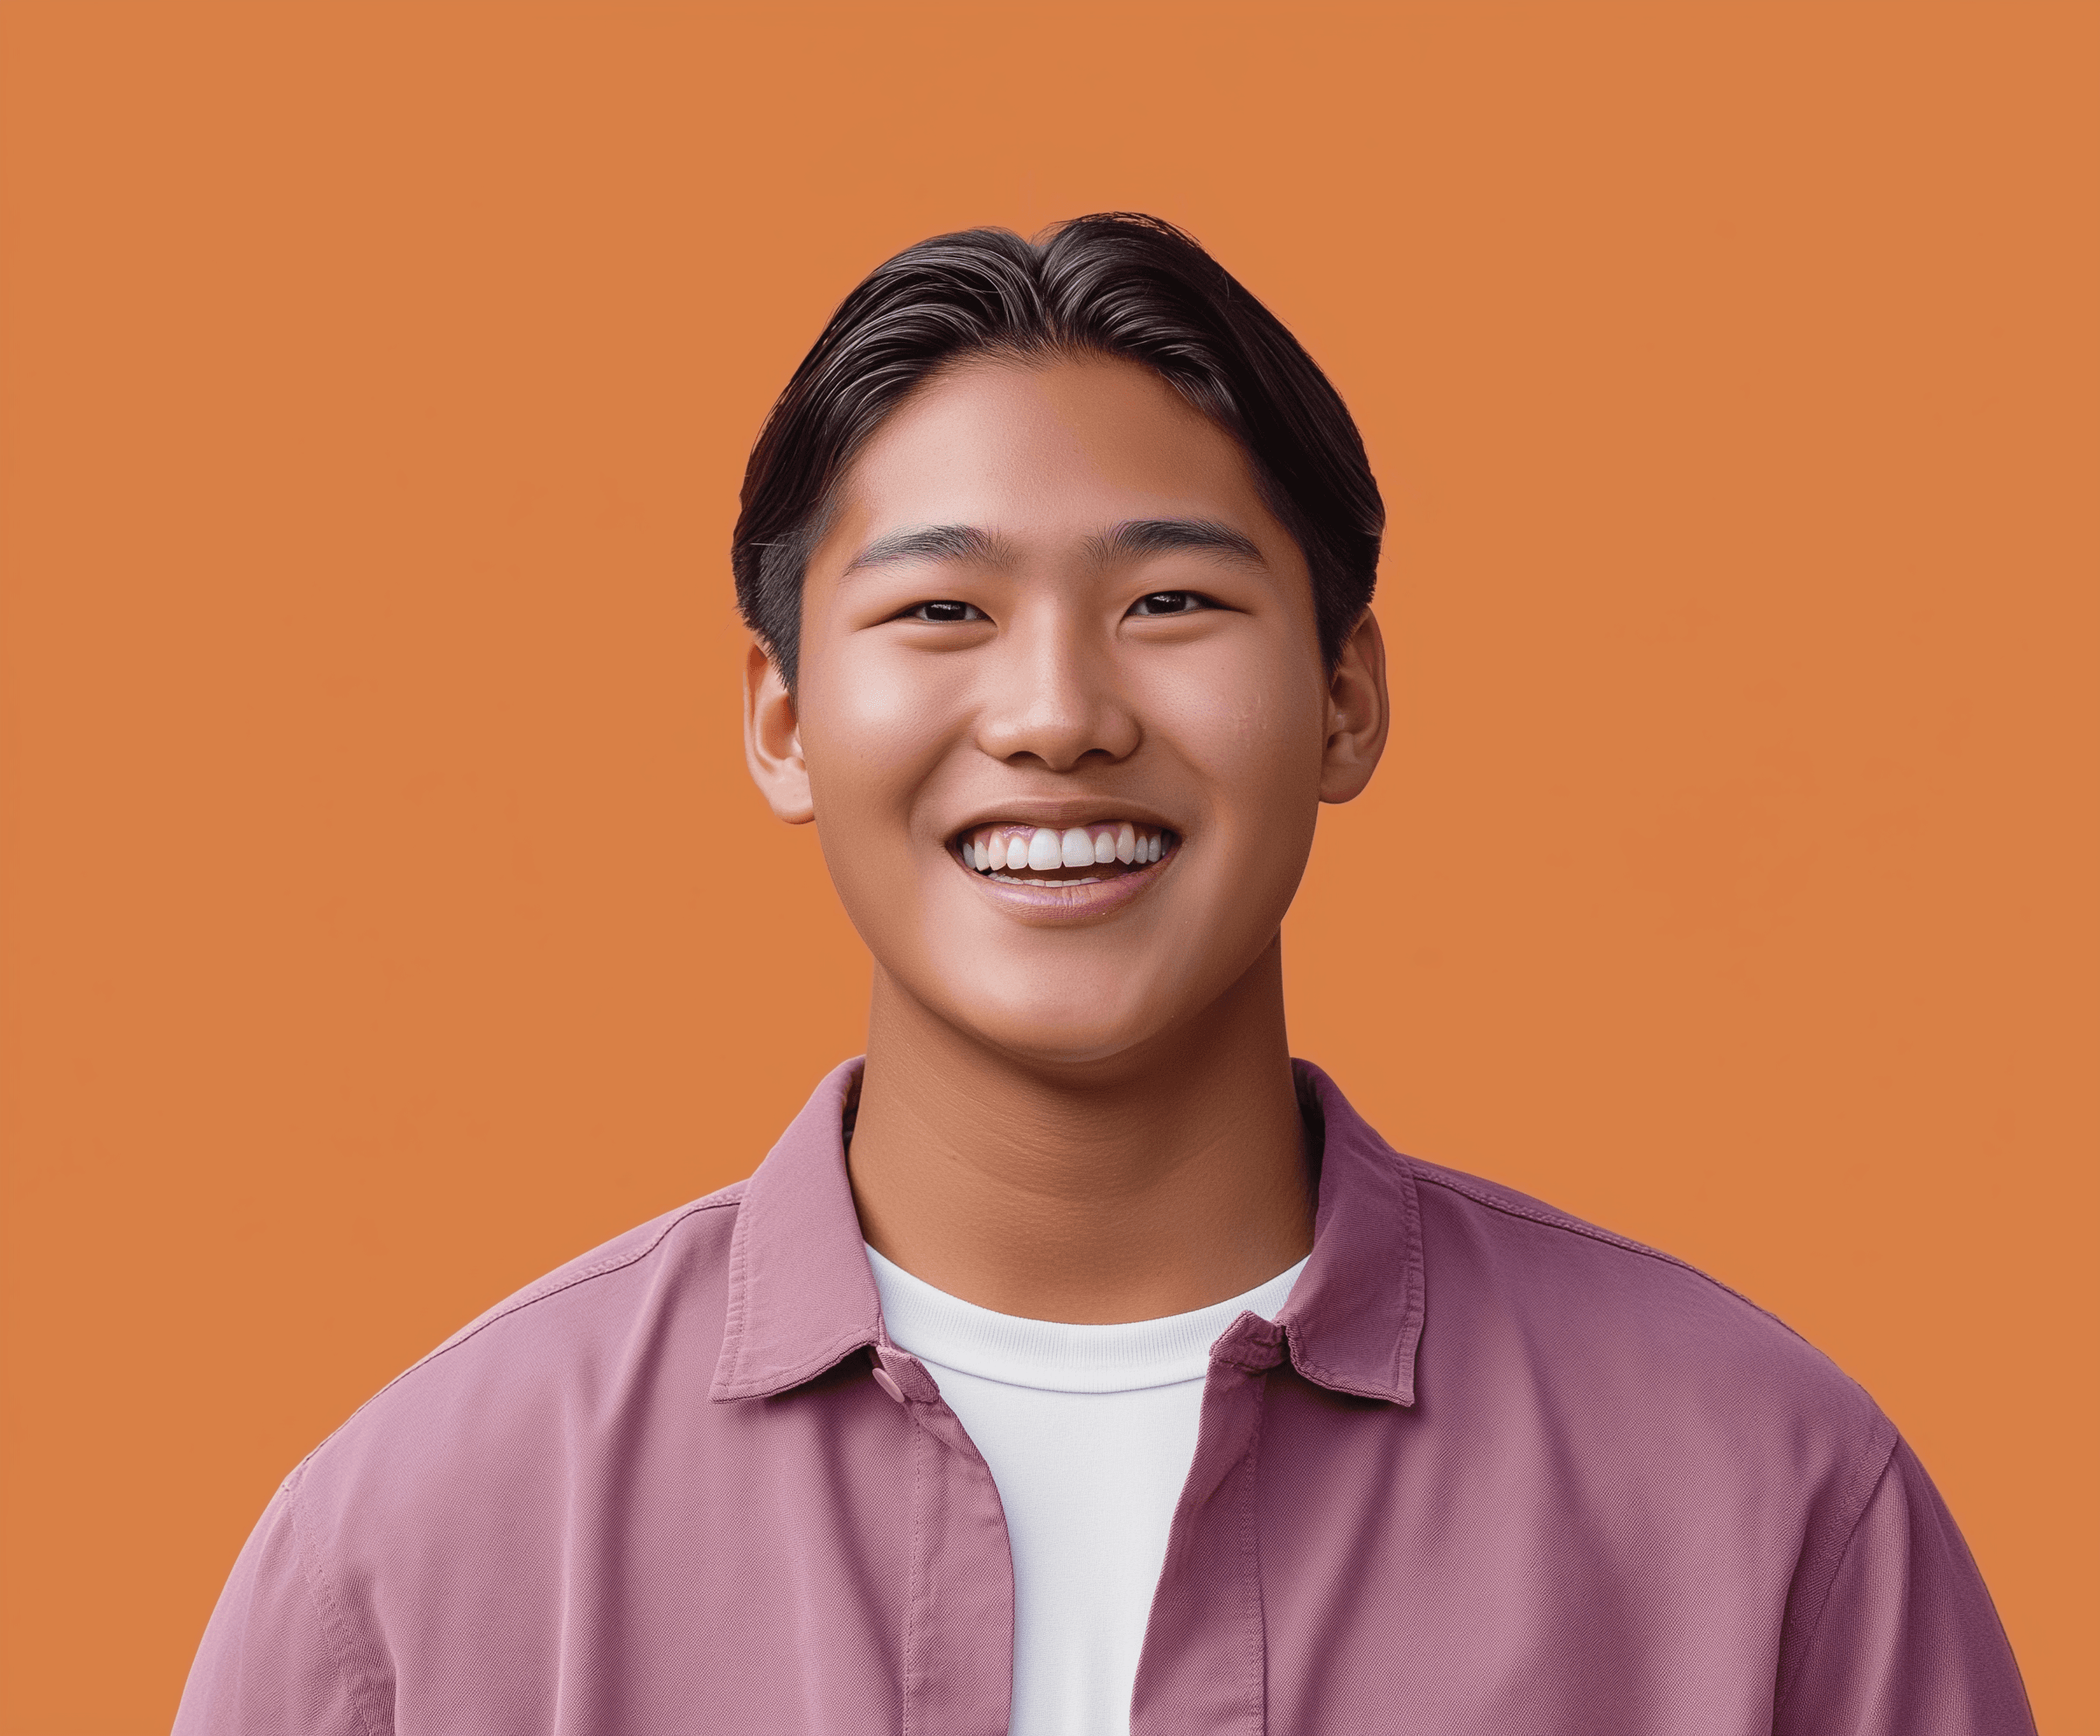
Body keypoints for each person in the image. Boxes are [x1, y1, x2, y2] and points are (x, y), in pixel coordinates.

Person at [175, 214, 2034, 1735]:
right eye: (939, 612)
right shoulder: (421, 1540)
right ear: (781, 718)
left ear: (1348, 697)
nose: (1057, 712)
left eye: (1169, 602)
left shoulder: (1768, 1493)